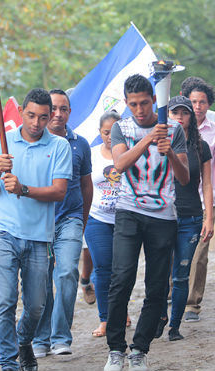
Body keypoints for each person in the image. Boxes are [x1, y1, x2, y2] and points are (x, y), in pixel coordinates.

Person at [0, 88, 72, 371]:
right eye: (31, 115)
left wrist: (24, 189)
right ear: (21, 112)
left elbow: (59, 192)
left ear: (50, 117)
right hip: (4, 232)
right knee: (5, 300)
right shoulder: (1, 143)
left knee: (36, 305)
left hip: (39, 236)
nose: (36, 123)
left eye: (43, 118)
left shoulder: (59, 146)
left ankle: (24, 341)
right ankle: (8, 363)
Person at [103, 74, 189, 371]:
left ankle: (139, 350)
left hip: (163, 216)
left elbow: (185, 177)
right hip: (128, 210)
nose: (139, 109)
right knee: (121, 280)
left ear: (154, 99)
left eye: (144, 103)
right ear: (126, 104)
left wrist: (170, 155)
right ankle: (116, 349)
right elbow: (119, 164)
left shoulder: (174, 130)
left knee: (155, 287)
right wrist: (149, 138)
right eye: (133, 104)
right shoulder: (120, 128)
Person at [32, 89, 92, 357]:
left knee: (67, 273)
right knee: (41, 281)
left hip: (70, 219)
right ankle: (41, 337)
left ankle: (60, 337)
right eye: (53, 108)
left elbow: (86, 185)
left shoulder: (80, 143)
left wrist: (84, 218)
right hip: (39, 221)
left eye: (64, 109)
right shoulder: (34, 142)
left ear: (70, 112)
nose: (58, 114)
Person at [155, 95, 214, 342]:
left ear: (192, 117)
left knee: (181, 273)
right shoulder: (156, 143)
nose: (179, 117)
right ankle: (158, 315)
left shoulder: (201, 147)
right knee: (158, 273)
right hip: (161, 214)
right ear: (168, 116)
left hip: (190, 215)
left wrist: (209, 217)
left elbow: (208, 185)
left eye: (185, 113)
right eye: (175, 113)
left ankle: (175, 326)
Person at [181, 77, 215, 323]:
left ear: (209, 105)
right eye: (193, 102)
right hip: (175, 201)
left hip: (204, 200)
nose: (198, 106)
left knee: (199, 254)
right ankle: (172, 295)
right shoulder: (172, 129)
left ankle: (192, 303)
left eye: (202, 102)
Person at [83, 110, 127, 338]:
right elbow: (83, 185)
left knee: (123, 270)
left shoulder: (131, 152)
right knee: (102, 267)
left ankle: (120, 311)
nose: (110, 136)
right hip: (97, 218)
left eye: (115, 131)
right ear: (100, 133)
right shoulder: (91, 154)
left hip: (126, 219)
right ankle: (105, 319)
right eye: (106, 132)